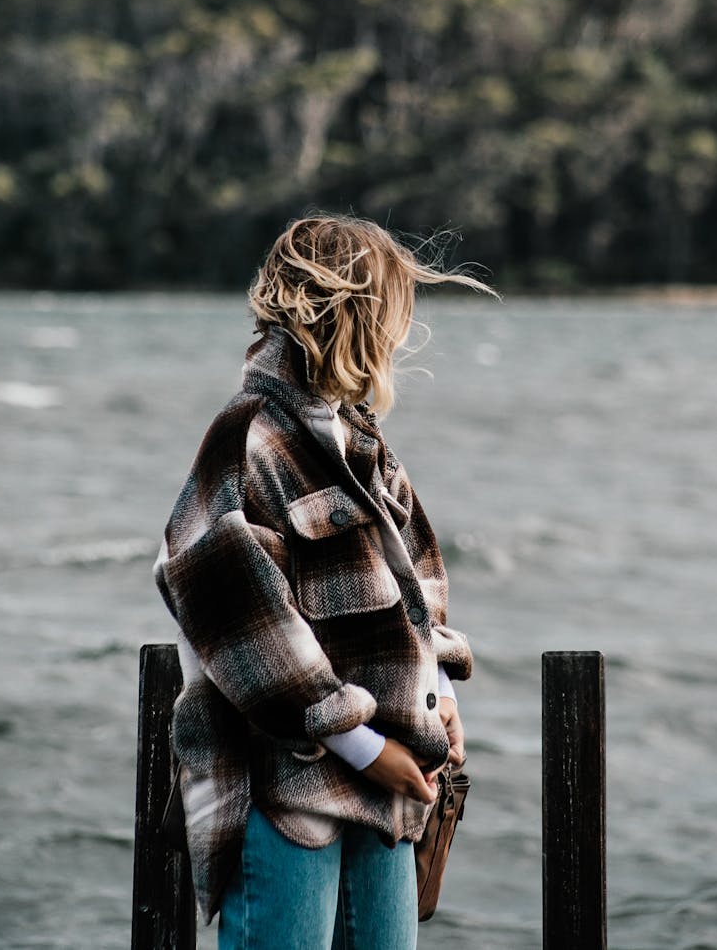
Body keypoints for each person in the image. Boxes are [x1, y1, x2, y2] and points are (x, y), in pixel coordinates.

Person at [153, 215, 495, 949]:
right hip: (289, 797)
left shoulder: (363, 440)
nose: (400, 338)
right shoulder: (248, 436)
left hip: (388, 793)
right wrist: (365, 745)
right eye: (392, 316)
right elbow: (235, 612)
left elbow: (414, 585)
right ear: (349, 315)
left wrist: (442, 692)